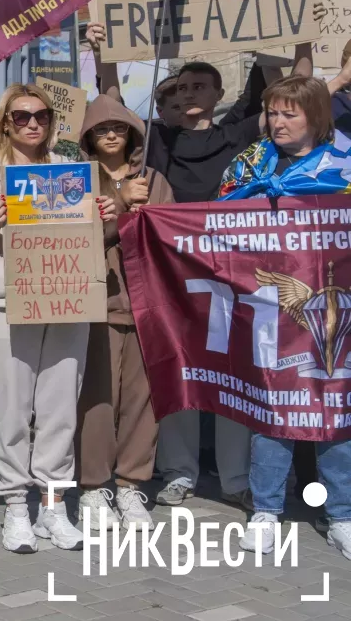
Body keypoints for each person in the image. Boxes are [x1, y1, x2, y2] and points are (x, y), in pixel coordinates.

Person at [93, 30, 276, 512]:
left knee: (233, 368)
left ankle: (236, 476)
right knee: (177, 367)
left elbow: (287, 100)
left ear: (219, 95)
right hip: (171, 274)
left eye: (201, 86)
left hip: (233, 273)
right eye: (184, 87)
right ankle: (178, 471)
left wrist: (295, 46)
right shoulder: (157, 140)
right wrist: (102, 54)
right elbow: (111, 109)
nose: (191, 93)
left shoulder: (237, 134)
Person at [0, 83, 118, 553]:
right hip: (11, 304)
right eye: (23, 116)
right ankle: (14, 506)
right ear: (7, 122)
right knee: (11, 409)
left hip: (66, 299)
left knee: (59, 408)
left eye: (42, 116)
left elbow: (93, 236)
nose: (33, 124)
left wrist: (107, 213)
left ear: (52, 122)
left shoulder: (72, 174)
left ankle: (53, 505)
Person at [205, 75, 351, 558]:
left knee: (334, 407)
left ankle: (343, 514)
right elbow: (215, 215)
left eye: (290, 113)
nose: (277, 122)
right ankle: (266, 510)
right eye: (272, 112)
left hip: (334, 309)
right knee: (274, 407)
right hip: (269, 309)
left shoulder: (345, 161)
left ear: (317, 117)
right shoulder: (251, 161)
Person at [74, 90, 173, 532]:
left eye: (118, 127)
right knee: (98, 399)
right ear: (88, 138)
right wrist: (117, 204)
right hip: (97, 303)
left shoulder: (153, 177)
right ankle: (94, 487)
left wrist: (149, 211)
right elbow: (73, 243)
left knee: (143, 400)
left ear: (133, 132)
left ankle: (133, 483)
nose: (111, 134)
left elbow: (174, 237)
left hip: (149, 305)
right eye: (100, 129)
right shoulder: (76, 180)